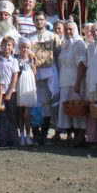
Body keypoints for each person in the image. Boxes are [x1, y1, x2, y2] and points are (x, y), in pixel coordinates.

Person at [30, 11, 58, 144]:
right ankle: (35, 134)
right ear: (33, 21)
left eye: (41, 19)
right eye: (36, 19)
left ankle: (44, 134)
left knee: (47, 105)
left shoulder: (53, 37)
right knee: (35, 105)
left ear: (45, 20)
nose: (39, 22)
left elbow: (57, 53)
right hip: (34, 76)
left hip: (48, 76)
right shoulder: (29, 37)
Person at [57, 19, 87, 143]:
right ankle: (70, 134)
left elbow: (81, 64)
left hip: (75, 79)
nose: (68, 31)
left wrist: (78, 83)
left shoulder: (79, 43)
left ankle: (79, 136)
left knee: (77, 107)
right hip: (64, 80)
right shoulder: (64, 43)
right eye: (66, 29)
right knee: (68, 108)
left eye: (70, 29)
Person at [0, 35, 20, 147]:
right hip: (1, 92)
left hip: (11, 92)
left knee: (12, 116)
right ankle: (2, 138)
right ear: (1, 46)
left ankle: (13, 138)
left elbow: (15, 77)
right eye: (4, 45)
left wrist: (10, 92)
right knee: (2, 116)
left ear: (12, 47)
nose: (6, 47)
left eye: (9, 45)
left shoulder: (14, 61)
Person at [15, 37, 38, 146]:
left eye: (28, 47)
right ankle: (22, 135)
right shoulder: (16, 59)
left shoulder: (31, 60)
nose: (25, 49)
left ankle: (28, 135)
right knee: (20, 112)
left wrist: (35, 61)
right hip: (19, 84)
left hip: (28, 84)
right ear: (19, 48)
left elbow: (34, 73)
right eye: (23, 47)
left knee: (26, 114)